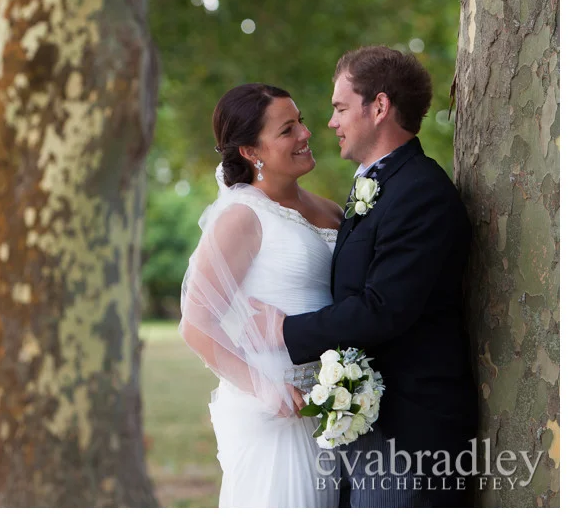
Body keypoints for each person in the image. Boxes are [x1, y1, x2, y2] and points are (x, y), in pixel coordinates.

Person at [251, 46, 478, 507]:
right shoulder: (378, 184)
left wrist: (284, 330)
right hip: (373, 429)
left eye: (339, 108)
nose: (330, 123)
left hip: (413, 439)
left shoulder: (422, 192)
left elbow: (383, 309)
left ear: (378, 107)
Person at [179, 82, 343, 507]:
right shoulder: (242, 216)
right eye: (287, 130)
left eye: (301, 122)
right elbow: (195, 323)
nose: (306, 134)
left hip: (340, 403)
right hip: (281, 414)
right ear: (252, 152)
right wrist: (265, 388)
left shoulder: (331, 211)